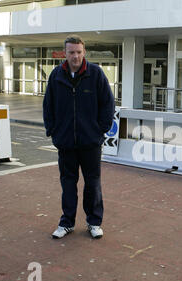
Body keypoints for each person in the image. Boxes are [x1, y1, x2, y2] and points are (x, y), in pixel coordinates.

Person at [43, 34, 115, 239]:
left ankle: (94, 222)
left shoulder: (96, 74)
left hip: (90, 142)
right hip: (65, 142)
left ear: (84, 53)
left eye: (79, 52)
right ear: (64, 53)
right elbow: (48, 105)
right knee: (68, 183)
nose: (75, 56)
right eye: (71, 52)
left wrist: (100, 130)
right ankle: (67, 222)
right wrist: (53, 131)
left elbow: (107, 104)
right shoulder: (56, 75)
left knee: (92, 183)